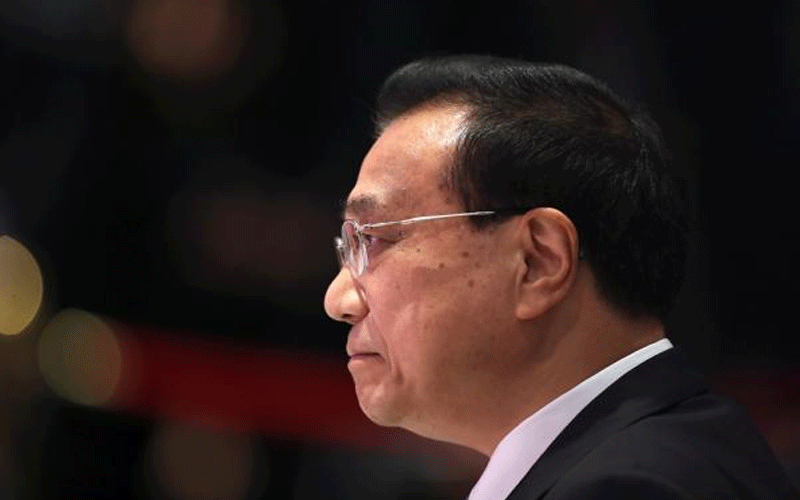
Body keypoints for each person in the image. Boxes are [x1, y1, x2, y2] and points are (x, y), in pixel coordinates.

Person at [323, 55, 798, 499]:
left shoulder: (627, 488)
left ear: (538, 261)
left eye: (375, 238)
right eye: (349, 244)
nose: (338, 299)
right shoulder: (667, 449)